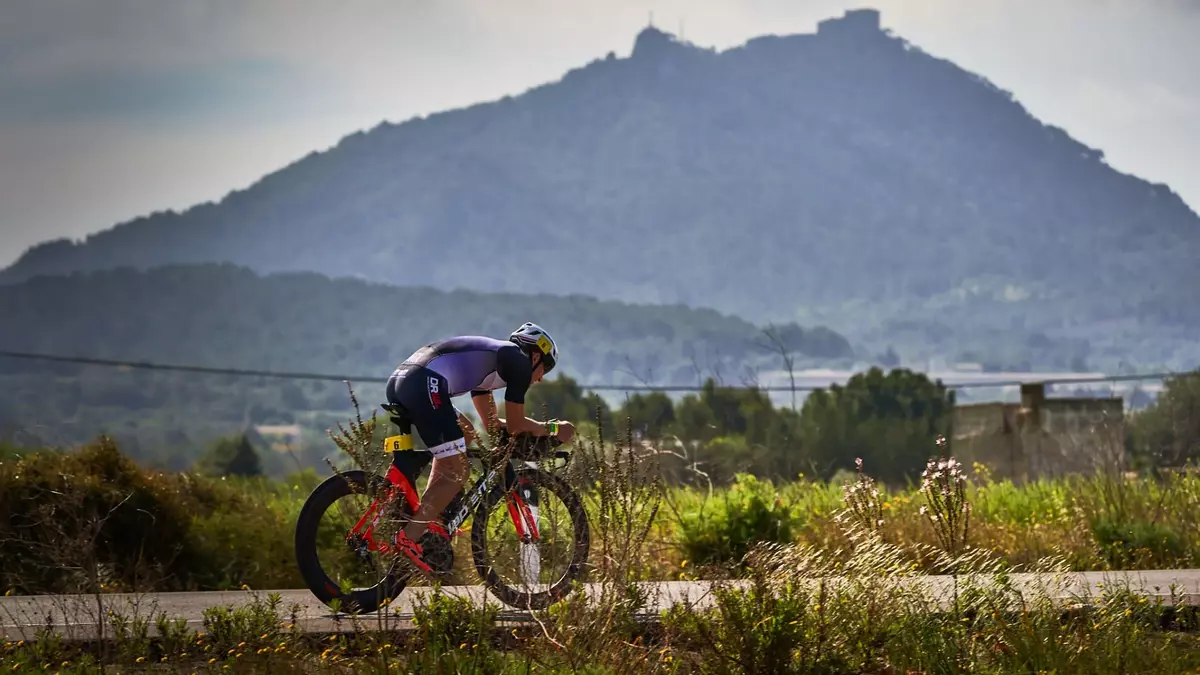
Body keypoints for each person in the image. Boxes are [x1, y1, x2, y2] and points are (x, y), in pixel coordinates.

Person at [383, 322, 575, 575]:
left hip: (406, 379)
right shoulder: (517, 362)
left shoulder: (495, 366)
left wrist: (522, 434)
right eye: (544, 371)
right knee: (458, 472)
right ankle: (409, 537)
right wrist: (551, 429)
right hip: (422, 383)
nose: (539, 379)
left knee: (466, 434)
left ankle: (431, 518)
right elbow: (517, 424)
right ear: (535, 356)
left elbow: (494, 426)